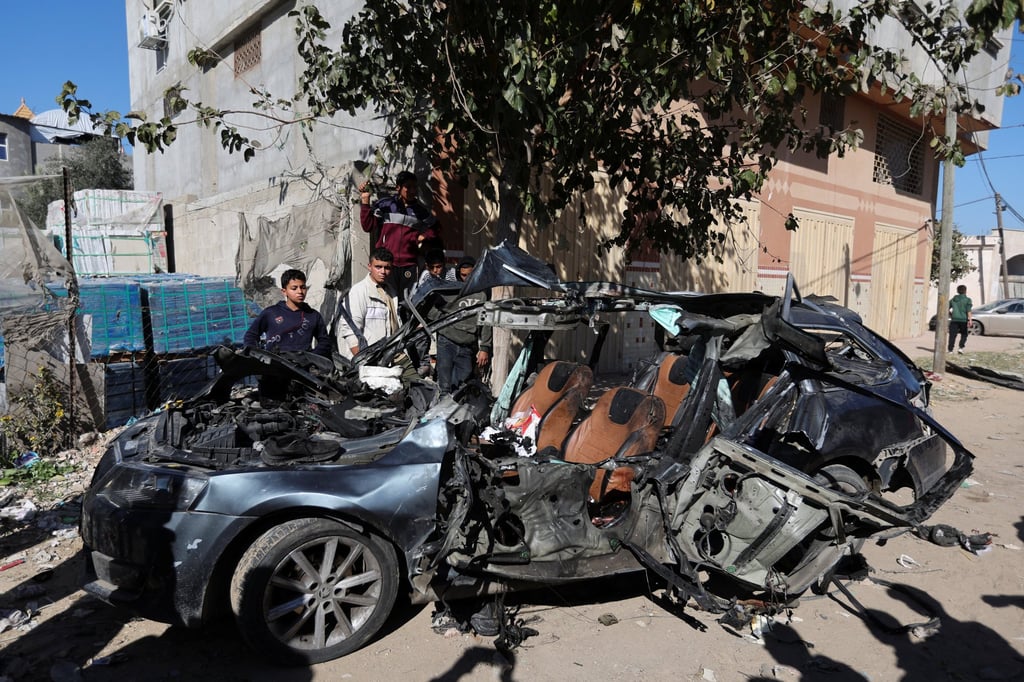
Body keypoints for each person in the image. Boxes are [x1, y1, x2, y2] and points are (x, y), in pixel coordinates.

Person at [359, 170, 439, 308]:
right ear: (398, 188)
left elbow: (436, 228)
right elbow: (368, 226)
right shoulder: (385, 205)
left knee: (406, 303)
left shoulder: (421, 211)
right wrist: (365, 201)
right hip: (387, 264)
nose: (412, 190)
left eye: (415, 187)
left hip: (409, 265)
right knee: (385, 301)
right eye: (408, 186)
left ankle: (405, 329)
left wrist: (423, 236)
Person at [433, 256, 492, 393]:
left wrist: (484, 348)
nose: (466, 279)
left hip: (467, 346)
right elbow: (432, 309)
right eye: (463, 275)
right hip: (447, 342)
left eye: (470, 275)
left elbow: (486, 320)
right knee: (444, 387)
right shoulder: (450, 290)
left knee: (461, 387)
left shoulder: (482, 293)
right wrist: (442, 323)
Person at [243, 269, 330, 357]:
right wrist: (256, 355)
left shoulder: (313, 315)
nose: (300, 292)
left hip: (303, 368)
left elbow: (325, 341)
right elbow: (251, 335)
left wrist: (311, 357)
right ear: (284, 291)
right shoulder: (270, 313)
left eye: (303, 287)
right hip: (275, 365)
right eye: (294, 288)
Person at [336, 248, 400, 357]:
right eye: (378, 267)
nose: (383, 272)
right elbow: (350, 330)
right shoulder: (359, 291)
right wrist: (362, 359)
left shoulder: (391, 292)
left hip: (391, 354)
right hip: (368, 358)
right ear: (369, 266)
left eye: (387, 268)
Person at [948, 284, 973, 354]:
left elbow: (947, 308)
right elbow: (968, 310)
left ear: (957, 291)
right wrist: (970, 320)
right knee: (964, 334)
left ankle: (950, 350)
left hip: (954, 320)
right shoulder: (968, 300)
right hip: (963, 320)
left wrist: (950, 314)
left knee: (952, 335)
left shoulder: (953, 300)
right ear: (965, 291)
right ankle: (960, 348)